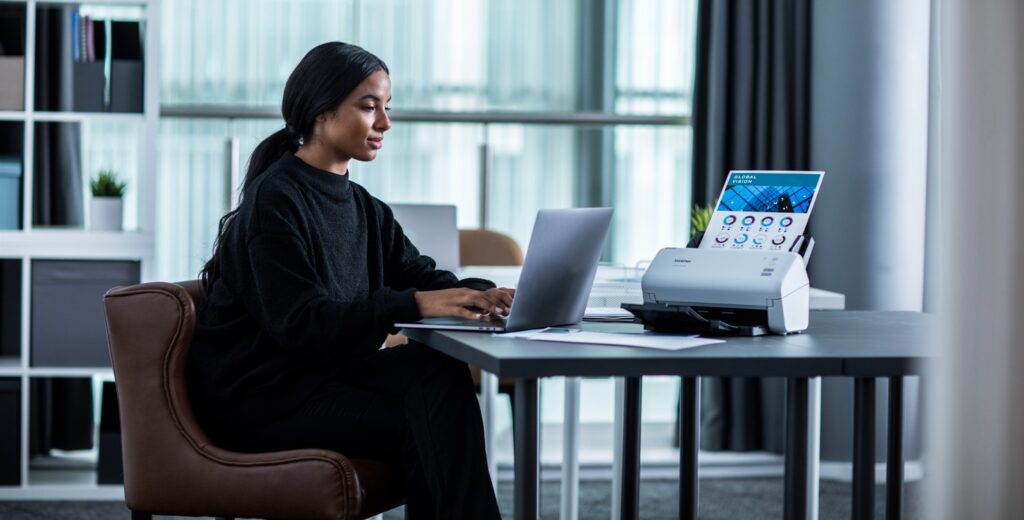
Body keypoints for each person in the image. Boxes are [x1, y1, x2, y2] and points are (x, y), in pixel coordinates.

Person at [186, 42, 512, 519]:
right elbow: (305, 324)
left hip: (324, 379)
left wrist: (482, 294)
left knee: (436, 374)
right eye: (368, 106)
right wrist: (417, 304)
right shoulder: (275, 201)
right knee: (430, 421)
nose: (385, 123)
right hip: (265, 398)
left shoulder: (362, 205)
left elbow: (419, 273)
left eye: (386, 107)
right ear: (321, 111)